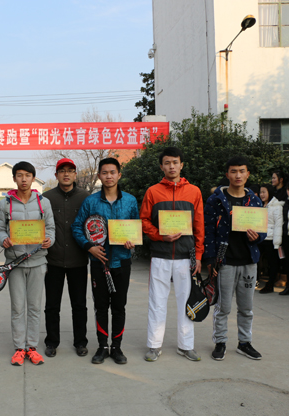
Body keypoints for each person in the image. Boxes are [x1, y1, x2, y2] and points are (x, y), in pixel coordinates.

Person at [72, 157, 139, 365]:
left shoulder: (130, 201)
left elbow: (136, 227)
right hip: (99, 263)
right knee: (101, 306)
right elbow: (77, 227)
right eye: (104, 172)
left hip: (122, 261)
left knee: (119, 306)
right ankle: (102, 346)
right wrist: (89, 246)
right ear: (99, 175)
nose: (109, 176)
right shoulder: (91, 201)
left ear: (119, 175)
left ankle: (116, 347)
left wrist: (132, 242)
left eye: (112, 172)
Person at [140, 147, 204, 362]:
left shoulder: (194, 192)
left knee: (186, 301)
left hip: (186, 256)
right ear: (161, 166)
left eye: (175, 162)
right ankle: (154, 345)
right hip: (160, 255)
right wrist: (160, 236)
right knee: (157, 301)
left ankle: (186, 346)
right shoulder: (153, 192)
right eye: (167, 163)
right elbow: (144, 221)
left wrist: (199, 255)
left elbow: (199, 225)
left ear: (181, 165)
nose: (171, 166)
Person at [204, 157, 266, 361]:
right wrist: (210, 259)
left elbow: (262, 230)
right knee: (223, 307)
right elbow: (208, 231)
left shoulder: (254, 200)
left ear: (248, 174)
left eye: (242, 171)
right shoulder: (215, 200)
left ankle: (244, 343)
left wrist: (258, 237)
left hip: (249, 262)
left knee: (246, 308)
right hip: (225, 262)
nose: (238, 175)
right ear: (227, 174)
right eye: (233, 171)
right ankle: (220, 342)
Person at [0, 161, 55, 366]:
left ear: (33, 178)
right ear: (14, 178)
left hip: (38, 262)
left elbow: (51, 228)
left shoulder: (43, 203)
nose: (23, 179)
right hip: (15, 263)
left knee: (35, 307)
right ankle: (19, 348)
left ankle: (32, 347)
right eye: (19, 175)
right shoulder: (5, 204)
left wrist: (49, 240)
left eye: (27, 175)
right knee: (17, 308)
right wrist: (3, 239)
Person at [42, 158, 89, 359]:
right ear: (56, 175)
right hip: (53, 260)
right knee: (52, 306)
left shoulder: (86, 198)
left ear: (75, 174)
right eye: (62, 171)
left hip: (78, 260)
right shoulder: (46, 199)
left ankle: (81, 342)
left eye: (70, 170)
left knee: (79, 305)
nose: (66, 174)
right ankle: (52, 342)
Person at [258, 184, 284, 294]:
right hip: (260, 237)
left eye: (264, 192)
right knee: (257, 260)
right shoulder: (260, 205)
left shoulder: (277, 206)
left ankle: (270, 285)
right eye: (260, 192)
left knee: (272, 263)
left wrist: (277, 243)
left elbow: (278, 225)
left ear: (270, 192)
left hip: (271, 239)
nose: (261, 194)